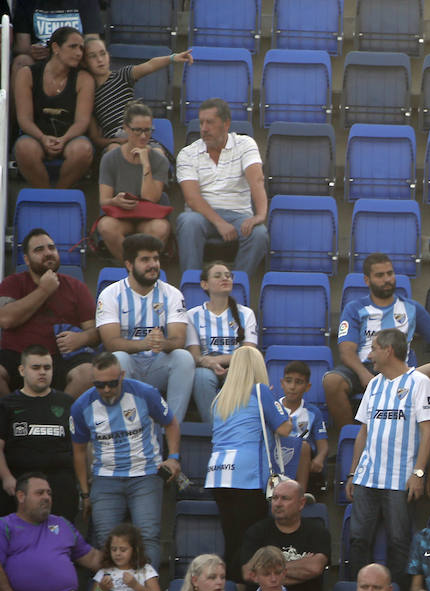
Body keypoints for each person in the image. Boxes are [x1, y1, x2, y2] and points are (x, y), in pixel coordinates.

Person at [345, 327, 430, 587]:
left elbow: (428, 432)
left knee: (399, 541)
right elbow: (363, 431)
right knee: (358, 539)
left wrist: (419, 473)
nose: (369, 355)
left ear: (388, 351)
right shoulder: (374, 384)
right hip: (367, 477)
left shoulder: (420, 383)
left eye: (374, 349)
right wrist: (353, 472)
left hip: (400, 480)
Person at [325, 253, 430, 434]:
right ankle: (349, 440)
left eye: (390, 274)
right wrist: (363, 375)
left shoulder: (411, 308)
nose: (387, 279)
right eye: (380, 275)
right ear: (367, 280)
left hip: (400, 369)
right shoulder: (355, 308)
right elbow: (346, 352)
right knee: (332, 382)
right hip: (364, 367)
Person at [205, 347, 292, 572]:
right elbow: (285, 428)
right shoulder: (261, 391)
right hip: (247, 474)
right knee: (250, 541)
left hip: (218, 472)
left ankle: (231, 589)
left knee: (231, 537)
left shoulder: (219, 398)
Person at [94, 234, 195, 422]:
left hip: (157, 367)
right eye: (145, 259)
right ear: (129, 264)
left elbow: (178, 339)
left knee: (184, 358)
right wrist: (144, 344)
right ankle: (127, 426)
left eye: (156, 259)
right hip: (128, 367)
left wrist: (162, 343)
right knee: (118, 358)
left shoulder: (172, 294)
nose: (153, 264)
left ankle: (171, 426)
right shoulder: (110, 294)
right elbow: (110, 343)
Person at [0, 472, 102, 591]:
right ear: (21, 496)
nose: (47, 497)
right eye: (40, 493)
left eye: (49, 493)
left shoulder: (63, 524)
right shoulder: (4, 526)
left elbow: (92, 558)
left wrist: (130, 558)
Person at [0, 229, 97, 398]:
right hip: (17, 355)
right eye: (39, 250)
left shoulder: (76, 287)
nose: (48, 253)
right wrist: (44, 290)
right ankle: (7, 417)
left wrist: (83, 338)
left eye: (51, 248)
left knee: (88, 373)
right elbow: (6, 319)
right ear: (26, 260)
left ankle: (61, 419)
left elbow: (95, 330)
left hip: (61, 358)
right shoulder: (12, 283)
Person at [175, 98, 268, 272]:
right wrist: (219, 223)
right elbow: (192, 199)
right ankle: (192, 287)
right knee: (188, 222)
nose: (203, 128)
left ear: (226, 124)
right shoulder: (187, 153)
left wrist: (260, 215)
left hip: (238, 214)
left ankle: (236, 287)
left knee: (259, 233)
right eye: (201, 122)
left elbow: (257, 180)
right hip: (201, 215)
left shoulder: (245, 144)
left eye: (210, 122)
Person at [12, 28, 94, 189]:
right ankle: (45, 193)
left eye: (81, 48)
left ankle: (59, 193)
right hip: (36, 136)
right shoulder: (27, 74)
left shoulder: (84, 78)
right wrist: (43, 138)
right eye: (73, 46)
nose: (79, 53)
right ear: (56, 48)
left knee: (83, 150)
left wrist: (63, 139)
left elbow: (82, 121)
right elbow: (24, 119)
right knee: (24, 148)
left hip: (70, 138)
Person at [82, 38, 192, 151]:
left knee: (157, 152)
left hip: (141, 137)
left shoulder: (122, 76)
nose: (100, 60)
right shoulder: (87, 95)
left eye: (103, 53)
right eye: (92, 56)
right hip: (116, 142)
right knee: (114, 150)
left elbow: (150, 65)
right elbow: (96, 138)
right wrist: (115, 141)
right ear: (84, 62)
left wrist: (172, 58)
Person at [95, 101, 173, 259]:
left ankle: (144, 266)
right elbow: (104, 200)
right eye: (137, 130)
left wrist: (146, 164)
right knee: (106, 226)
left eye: (147, 130)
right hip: (121, 215)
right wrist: (115, 201)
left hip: (148, 216)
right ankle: (131, 267)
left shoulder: (159, 160)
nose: (143, 136)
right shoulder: (110, 158)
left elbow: (151, 197)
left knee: (161, 228)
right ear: (126, 128)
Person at [187, 260, 258, 424]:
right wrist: (209, 363)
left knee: (238, 375)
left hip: (237, 365)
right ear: (205, 284)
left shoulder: (246, 314)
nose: (225, 279)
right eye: (217, 276)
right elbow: (194, 355)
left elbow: (249, 352)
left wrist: (217, 360)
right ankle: (216, 431)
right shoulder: (192, 315)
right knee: (201, 377)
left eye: (228, 276)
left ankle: (234, 428)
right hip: (205, 368)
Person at [239, 479, 331, 591]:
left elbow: (314, 568)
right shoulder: (256, 531)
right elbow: (248, 573)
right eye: (275, 498)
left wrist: (265, 572)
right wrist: (301, 566)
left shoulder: (317, 532)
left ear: (301, 503)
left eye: (285, 498)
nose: (278, 503)